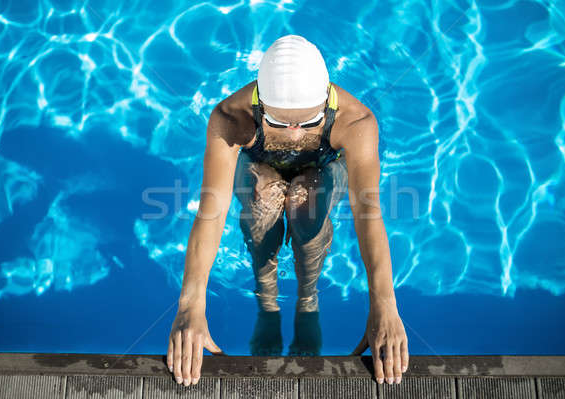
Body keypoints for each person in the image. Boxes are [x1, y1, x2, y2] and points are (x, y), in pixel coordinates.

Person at [167, 34, 409, 387]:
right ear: (259, 106)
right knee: (263, 195)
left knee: (304, 198)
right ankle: (267, 300)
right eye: (280, 124)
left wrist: (385, 305)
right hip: (261, 169)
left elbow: (368, 215)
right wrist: (189, 304)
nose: (295, 135)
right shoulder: (231, 118)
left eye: (309, 123)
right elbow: (211, 211)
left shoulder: (356, 123)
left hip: (322, 172)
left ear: (326, 103)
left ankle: (307, 297)